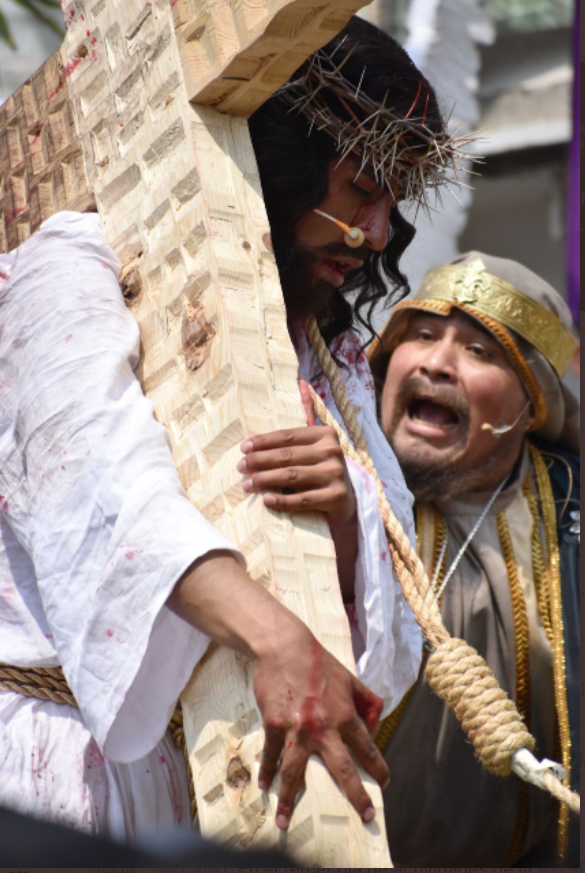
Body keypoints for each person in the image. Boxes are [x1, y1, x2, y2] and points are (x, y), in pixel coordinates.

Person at [0, 17, 465, 844]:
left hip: (227, 785)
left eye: (392, 202)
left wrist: (348, 514)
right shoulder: (72, 267)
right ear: (282, 157)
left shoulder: (328, 353)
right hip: (47, 776)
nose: (379, 232)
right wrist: (273, 636)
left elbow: (388, 604)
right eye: (361, 186)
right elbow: (100, 487)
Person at [369, 251, 580, 866]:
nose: (437, 361)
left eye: (481, 352)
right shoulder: (326, 479)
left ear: (531, 404)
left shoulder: (570, 518)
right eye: (424, 335)